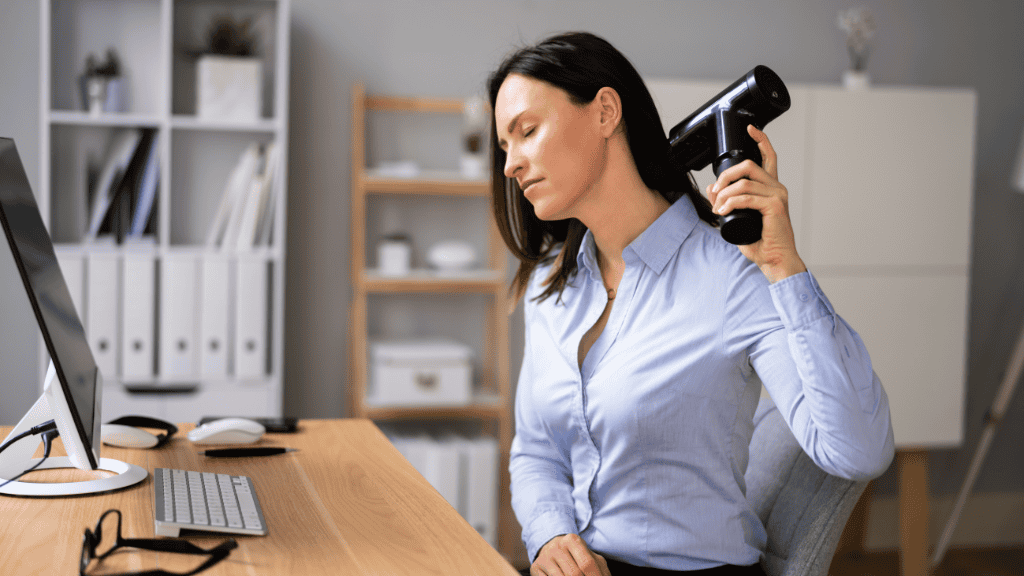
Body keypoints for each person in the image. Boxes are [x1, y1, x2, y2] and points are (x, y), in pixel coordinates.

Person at [486, 32, 895, 576]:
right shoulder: (551, 287)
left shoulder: (734, 274)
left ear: (605, 111)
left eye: (527, 132)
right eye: (505, 146)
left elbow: (858, 452)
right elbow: (536, 451)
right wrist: (551, 537)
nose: (511, 164)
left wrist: (783, 268)